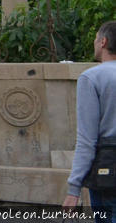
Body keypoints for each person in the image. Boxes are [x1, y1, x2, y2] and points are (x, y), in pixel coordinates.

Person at [64, 21, 116, 221]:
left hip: (109, 169)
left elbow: (87, 139)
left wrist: (73, 189)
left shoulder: (92, 78)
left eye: (96, 38)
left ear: (103, 42)